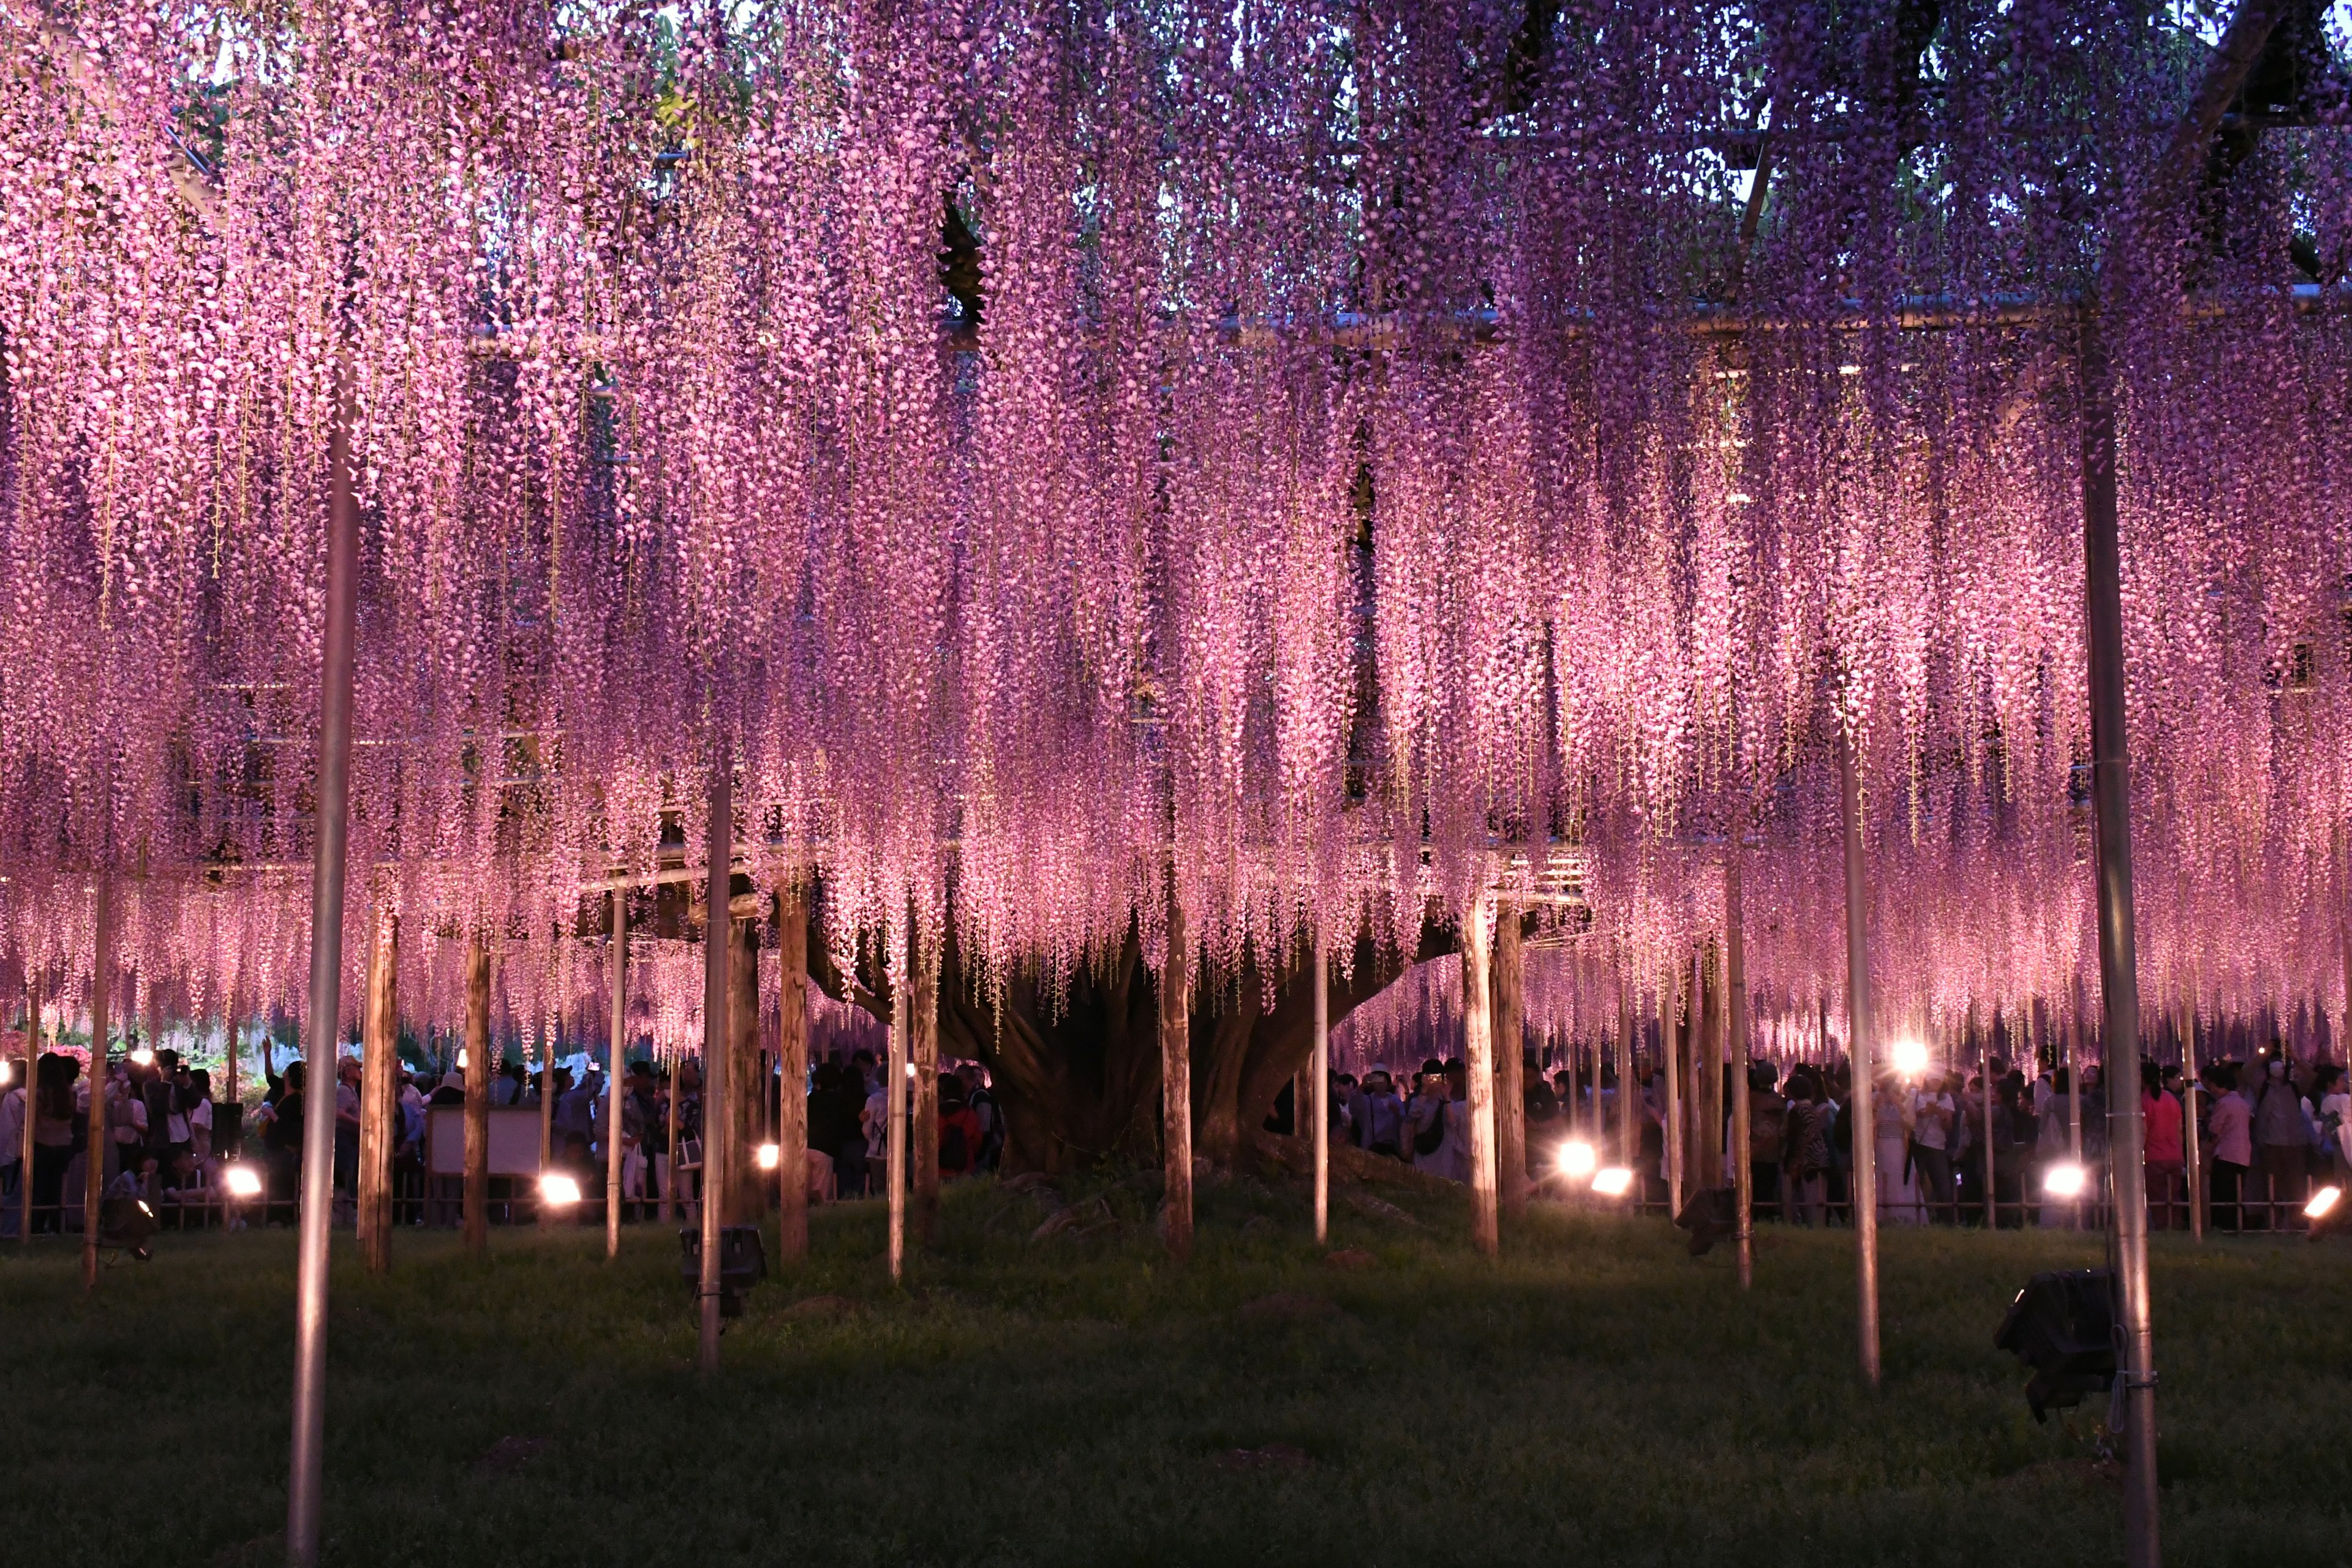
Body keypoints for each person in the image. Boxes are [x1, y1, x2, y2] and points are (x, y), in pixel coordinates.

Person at [2252, 1054, 2308, 1229]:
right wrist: (2264, 1053)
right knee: (2272, 1187)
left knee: (2296, 1187)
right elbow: (2248, 1071)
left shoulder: (2295, 1087)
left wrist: (2295, 1057)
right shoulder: (2261, 1087)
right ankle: (2273, 1224)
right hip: (2271, 1145)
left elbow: (2312, 1075)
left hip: (2295, 1144)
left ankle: (2296, 1223)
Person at [29, 1053, 78, 1234]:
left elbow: (34, 1121)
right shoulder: (68, 1093)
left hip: (42, 1143)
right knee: (57, 1189)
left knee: (38, 1189)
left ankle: (35, 1228)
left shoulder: (39, 1093)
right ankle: (58, 1226)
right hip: (64, 1144)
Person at [2204, 1061, 2253, 1234]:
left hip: (2226, 1154)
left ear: (2221, 1085)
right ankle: (2239, 1226)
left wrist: (2207, 1149)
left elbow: (2215, 1130)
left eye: (2213, 1088)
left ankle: (2225, 1228)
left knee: (2222, 1194)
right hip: (2243, 1155)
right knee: (2237, 1194)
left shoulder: (2224, 1103)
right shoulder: (2242, 1103)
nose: (2212, 1092)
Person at [2142, 1061, 2184, 1230]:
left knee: (2158, 1199)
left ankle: (2162, 1229)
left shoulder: (2144, 1100)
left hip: (2154, 1156)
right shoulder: (2171, 1099)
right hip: (2175, 1155)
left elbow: (2143, 1131)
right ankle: (2177, 1228)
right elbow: (2179, 1129)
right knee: (2174, 1197)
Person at [1911, 1069, 1958, 1224]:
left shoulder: (1946, 1098)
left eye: (1938, 1080)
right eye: (1933, 1080)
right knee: (1917, 1183)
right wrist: (1926, 1112)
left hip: (1938, 1145)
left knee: (1942, 1185)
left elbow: (1949, 1125)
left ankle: (1946, 1221)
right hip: (1919, 1143)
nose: (1935, 1083)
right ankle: (1917, 1219)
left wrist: (1939, 1112)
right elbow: (1914, 1115)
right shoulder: (1917, 1094)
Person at [1746, 1063, 1786, 1223]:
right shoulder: (1779, 1101)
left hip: (1753, 1150)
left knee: (1754, 1187)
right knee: (1769, 1188)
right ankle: (1767, 1217)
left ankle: (1756, 1218)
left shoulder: (1750, 1099)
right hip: (1772, 1152)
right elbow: (1784, 1130)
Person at [1351, 1068, 1405, 1159]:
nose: (1379, 1083)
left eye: (1382, 1080)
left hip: (1391, 1148)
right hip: (1371, 1147)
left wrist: (1397, 1113)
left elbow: (1404, 1123)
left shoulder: (1395, 1100)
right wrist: (1362, 1087)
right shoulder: (1367, 1100)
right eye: (1376, 1080)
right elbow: (1354, 1107)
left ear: (1388, 1082)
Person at [937, 1074, 983, 1178]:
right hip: (965, 1167)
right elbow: (977, 1140)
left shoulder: (937, 1114)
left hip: (940, 1168)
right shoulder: (970, 1114)